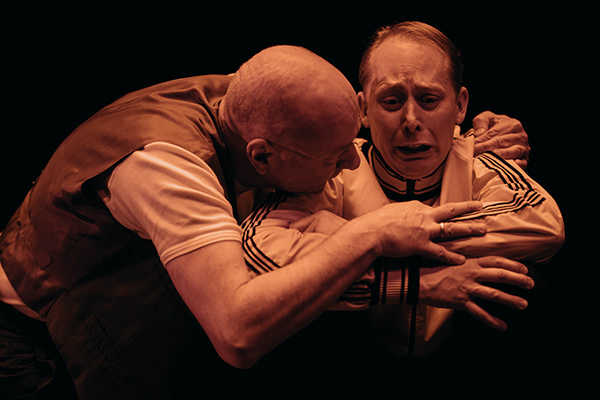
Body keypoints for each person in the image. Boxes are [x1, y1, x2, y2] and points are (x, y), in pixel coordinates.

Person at [0, 45, 531, 399]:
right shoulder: (167, 168)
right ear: (261, 157)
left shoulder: (249, 97)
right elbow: (238, 331)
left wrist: (471, 136)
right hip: (34, 339)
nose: (352, 162)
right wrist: (371, 235)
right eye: (335, 157)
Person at [242, 22, 564, 391]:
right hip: (348, 363)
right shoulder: (333, 171)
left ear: (460, 106)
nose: (411, 121)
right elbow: (256, 249)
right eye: (392, 101)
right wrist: (405, 276)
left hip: (463, 360)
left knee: (521, 282)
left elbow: (544, 223)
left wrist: (364, 240)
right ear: (363, 109)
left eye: (429, 100)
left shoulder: (480, 163)